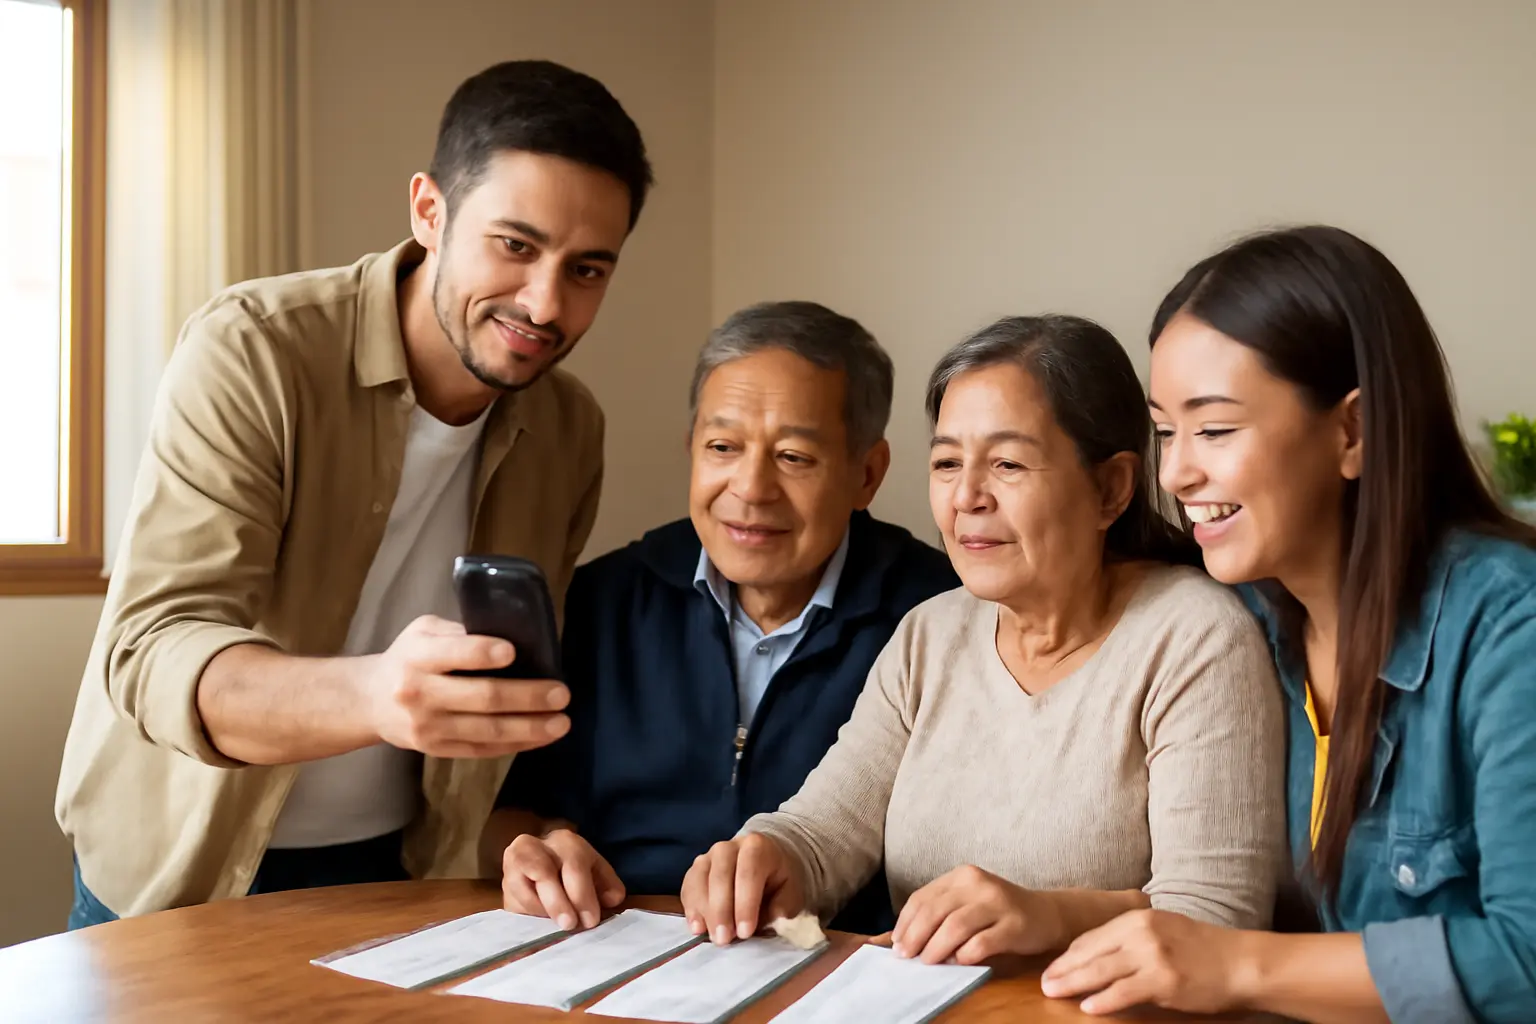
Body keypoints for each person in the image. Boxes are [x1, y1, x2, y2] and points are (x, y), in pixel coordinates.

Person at [57, 60, 652, 926]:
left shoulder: (570, 431)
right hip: (179, 875)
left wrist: (515, 838)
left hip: (398, 876)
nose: (544, 302)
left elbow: (490, 709)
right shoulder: (254, 351)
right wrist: (375, 695)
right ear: (429, 211)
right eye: (516, 246)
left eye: (588, 270)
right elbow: (152, 650)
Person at [1041, 226, 1536, 1024]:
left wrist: (1243, 965)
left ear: (1353, 431)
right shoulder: (1235, 626)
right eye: (1166, 431)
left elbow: (1527, 961)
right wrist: (1054, 914)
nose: (1176, 473)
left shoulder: (1512, 623)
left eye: (1216, 428)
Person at [680, 315, 1287, 959]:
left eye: (1007, 463)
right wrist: (766, 856)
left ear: (1110, 489)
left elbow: (1219, 916)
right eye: (946, 462)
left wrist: (1049, 916)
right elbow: (825, 831)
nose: (967, 496)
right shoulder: (930, 634)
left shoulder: (1194, 638)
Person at [481, 301, 958, 935]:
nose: (751, 488)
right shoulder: (605, 599)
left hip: (840, 964)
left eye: (793, 456)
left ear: (866, 474)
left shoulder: (940, 618)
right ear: (691, 451)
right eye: (723, 447)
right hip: (616, 947)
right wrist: (537, 849)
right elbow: (509, 812)